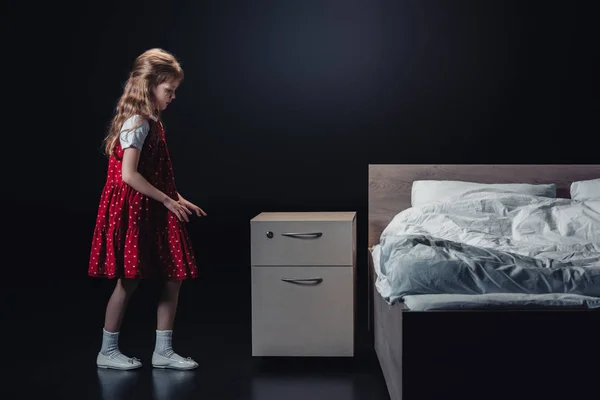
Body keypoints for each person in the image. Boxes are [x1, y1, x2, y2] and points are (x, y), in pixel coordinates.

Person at [88, 48, 206, 370]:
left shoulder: (153, 122)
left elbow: (154, 173)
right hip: (134, 209)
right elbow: (129, 174)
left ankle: (163, 351)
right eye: (169, 90)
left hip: (151, 205)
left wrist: (177, 197)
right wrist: (167, 200)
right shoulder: (137, 122)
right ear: (150, 85)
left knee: (173, 275)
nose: (172, 97)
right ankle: (107, 351)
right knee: (128, 280)